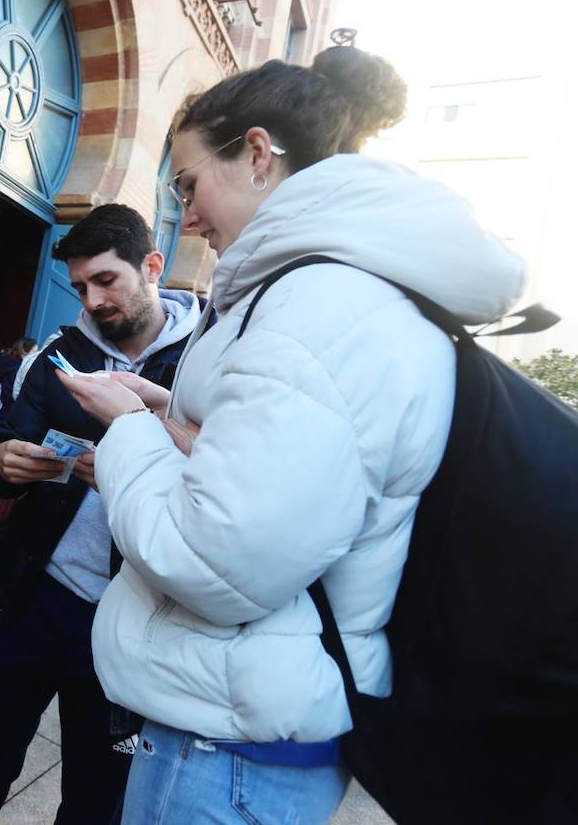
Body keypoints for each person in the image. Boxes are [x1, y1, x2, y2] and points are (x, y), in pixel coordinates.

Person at [55, 47, 526, 822]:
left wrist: (131, 429)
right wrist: (171, 413)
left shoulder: (319, 305)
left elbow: (215, 558)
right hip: (249, 718)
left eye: (188, 182)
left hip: (231, 749)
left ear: (258, 154)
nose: (187, 212)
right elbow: (280, 466)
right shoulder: (335, 287)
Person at [0, 204, 208, 824]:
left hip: (132, 619)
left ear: (152, 266)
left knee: (97, 802)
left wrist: (132, 458)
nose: (92, 300)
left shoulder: (204, 361)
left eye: (107, 280)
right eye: (81, 286)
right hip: (29, 598)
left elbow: (226, 476)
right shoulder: (60, 350)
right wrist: (5, 457)